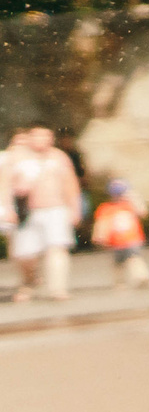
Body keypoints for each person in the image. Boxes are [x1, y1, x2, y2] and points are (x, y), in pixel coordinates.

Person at [8, 126, 82, 302]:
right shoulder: (17, 158)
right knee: (26, 254)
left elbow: (70, 184)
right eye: (38, 135)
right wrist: (6, 208)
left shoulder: (59, 157)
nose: (42, 139)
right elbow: (5, 183)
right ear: (30, 136)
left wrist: (75, 208)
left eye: (46, 135)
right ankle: (29, 282)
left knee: (57, 247)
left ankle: (58, 288)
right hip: (27, 212)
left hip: (55, 208)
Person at [92, 179, 149, 289]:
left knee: (132, 259)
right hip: (120, 242)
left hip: (129, 240)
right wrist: (99, 236)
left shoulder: (125, 206)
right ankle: (124, 280)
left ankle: (139, 277)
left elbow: (143, 213)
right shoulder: (110, 208)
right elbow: (102, 224)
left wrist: (135, 198)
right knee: (124, 262)